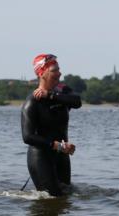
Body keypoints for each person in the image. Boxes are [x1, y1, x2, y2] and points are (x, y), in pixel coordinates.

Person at [21, 54, 81, 196]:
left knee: (66, 196)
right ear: (42, 73)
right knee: (52, 198)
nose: (59, 73)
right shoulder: (32, 102)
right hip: (41, 156)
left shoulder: (63, 91)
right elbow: (27, 137)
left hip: (62, 155)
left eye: (59, 69)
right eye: (54, 70)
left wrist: (50, 95)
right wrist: (59, 146)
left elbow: (77, 102)